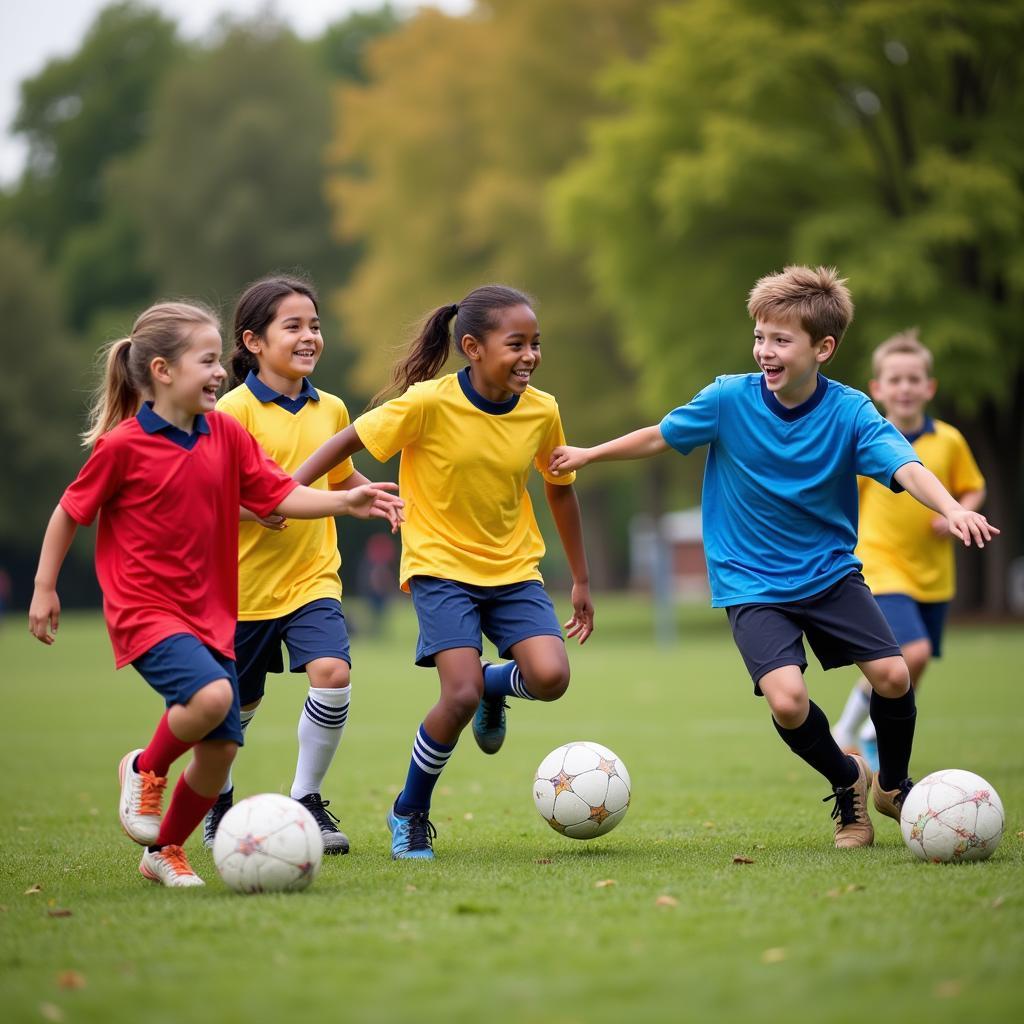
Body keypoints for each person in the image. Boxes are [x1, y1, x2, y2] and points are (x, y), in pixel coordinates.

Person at [549, 266, 997, 849]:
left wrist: (952, 508)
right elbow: (661, 434)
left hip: (829, 573)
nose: (765, 350)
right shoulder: (727, 398)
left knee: (893, 674)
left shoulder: (852, 411)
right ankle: (848, 784)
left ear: (823, 348)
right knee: (788, 702)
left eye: (781, 340)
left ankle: (892, 784)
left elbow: (906, 464)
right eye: (760, 336)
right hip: (750, 581)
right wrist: (590, 452)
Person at [28, 301, 402, 887]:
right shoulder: (123, 446)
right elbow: (69, 512)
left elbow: (276, 495)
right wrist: (45, 587)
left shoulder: (223, 433)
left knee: (223, 744)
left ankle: (165, 849)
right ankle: (145, 768)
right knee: (208, 702)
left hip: (213, 612)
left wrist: (345, 501)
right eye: (206, 361)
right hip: (146, 610)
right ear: (162, 370)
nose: (218, 372)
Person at [294, 284, 593, 860]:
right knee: (456, 694)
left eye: (536, 344)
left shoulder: (542, 410)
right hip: (439, 568)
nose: (530, 356)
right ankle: (410, 812)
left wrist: (579, 578)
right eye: (516, 344)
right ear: (473, 348)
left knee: (552, 677)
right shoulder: (427, 402)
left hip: (513, 570)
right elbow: (349, 438)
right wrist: (287, 488)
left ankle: (492, 690)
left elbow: (560, 492)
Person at [202, 275, 392, 856]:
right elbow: (208, 501)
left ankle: (306, 799)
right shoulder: (229, 411)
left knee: (332, 673)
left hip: (313, 579)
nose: (310, 336)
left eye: (315, 325)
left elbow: (338, 478)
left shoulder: (331, 408)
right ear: (253, 341)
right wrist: (254, 510)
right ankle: (218, 802)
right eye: (294, 326)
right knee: (235, 709)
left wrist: (371, 496)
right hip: (242, 591)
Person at [832, 330, 986, 770]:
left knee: (914, 663)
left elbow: (973, 488)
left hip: (934, 574)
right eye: (894, 379)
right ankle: (861, 731)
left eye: (913, 378)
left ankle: (852, 729)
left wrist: (956, 512)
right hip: (881, 565)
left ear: (928, 387)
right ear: (878, 389)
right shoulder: (867, 440)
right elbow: (844, 498)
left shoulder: (949, 441)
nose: (904, 387)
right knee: (910, 654)